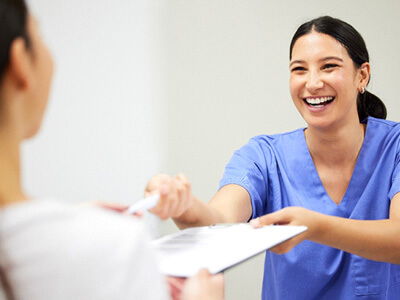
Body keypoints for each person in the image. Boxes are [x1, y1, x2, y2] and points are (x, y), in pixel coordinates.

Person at [145, 16, 400, 299]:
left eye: (329, 66)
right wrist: (185, 207)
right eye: (299, 70)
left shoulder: (396, 146)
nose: (312, 83)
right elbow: (219, 224)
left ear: (361, 75)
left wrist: (315, 226)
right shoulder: (263, 156)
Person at [0, 0, 224, 299]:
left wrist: (69, 219)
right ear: (20, 62)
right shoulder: (113, 248)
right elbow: (229, 221)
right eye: (39, 36)